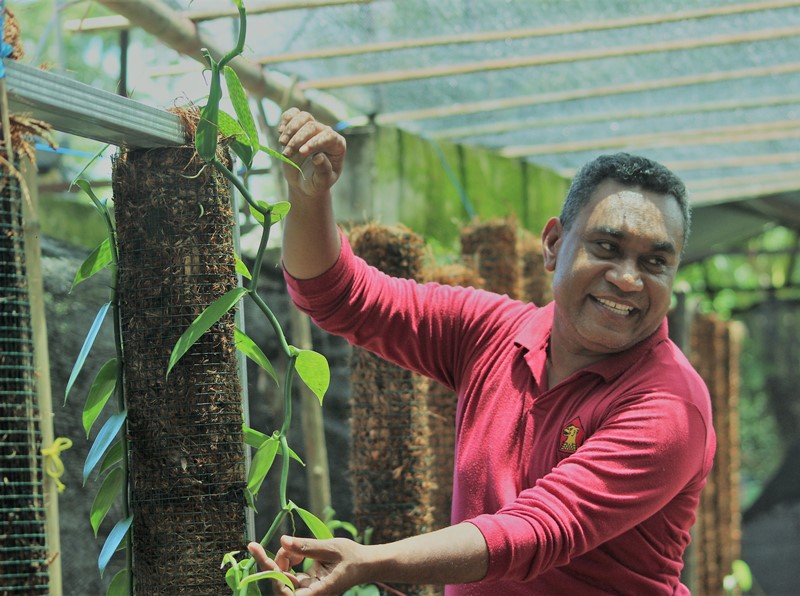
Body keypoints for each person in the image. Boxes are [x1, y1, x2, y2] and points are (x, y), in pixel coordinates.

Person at [247, 108, 716, 595]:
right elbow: (339, 296)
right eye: (606, 247)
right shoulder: (491, 333)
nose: (627, 277)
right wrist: (309, 197)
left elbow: (535, 532)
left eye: (655, 261)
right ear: (554, 244)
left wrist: (370, 562)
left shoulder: (669, 407)